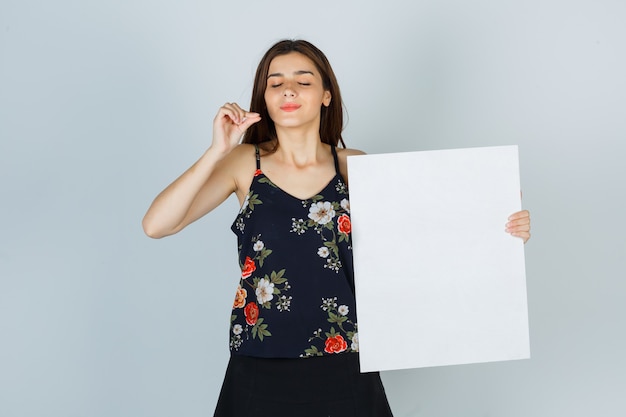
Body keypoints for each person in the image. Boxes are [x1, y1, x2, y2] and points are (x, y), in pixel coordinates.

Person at [142, 39, 531, 417]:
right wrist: (216, 151)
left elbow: (422, 241)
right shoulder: (245, 163)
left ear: (326, 95)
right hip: (259, 361)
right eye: (275, 82)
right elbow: (156, 225)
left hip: (345, 362)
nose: (288, 89)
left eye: (303, 80)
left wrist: (500, 226)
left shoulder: (354, 166)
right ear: (264, 98)